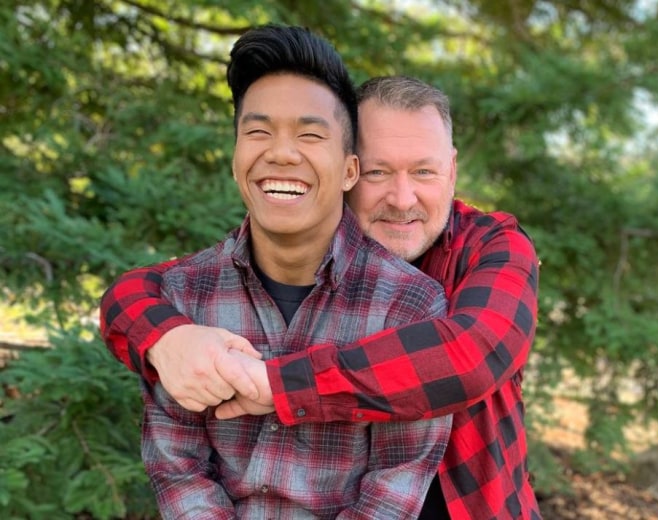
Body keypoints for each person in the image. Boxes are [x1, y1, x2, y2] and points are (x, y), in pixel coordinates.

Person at [101, 74, 543, 519]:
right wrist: (167, 337)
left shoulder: (492, 246)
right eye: (378, 172)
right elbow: (134, 293)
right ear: (346, 171)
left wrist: (278, 385)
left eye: (424, 171)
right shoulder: (279, 257)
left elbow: (470, 355)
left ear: (452, 170)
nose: (403, 198)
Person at [130, 24, 452, 519]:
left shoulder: (409, 305)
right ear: (236, 159)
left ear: (349, 171)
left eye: (309, 134)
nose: (281, 152)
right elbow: (177, 470)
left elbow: (395, 485)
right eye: (258, 132)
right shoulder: (183, 297)